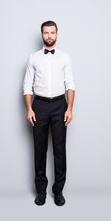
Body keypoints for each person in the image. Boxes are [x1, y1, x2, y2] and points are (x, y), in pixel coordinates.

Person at [23, 20, 75, 206]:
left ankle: (59, 191)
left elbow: (70, 84)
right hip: (40, 106)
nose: (49, 36)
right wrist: (29, 108)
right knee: (40, 150)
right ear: (42, 35)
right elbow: (27, 85)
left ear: (57, 34)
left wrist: (69, 108)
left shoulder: (65, 57)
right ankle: (41, 192)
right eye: (46, 33)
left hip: (60, 105)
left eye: (52, 32)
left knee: (60, 151)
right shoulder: (33, 58)